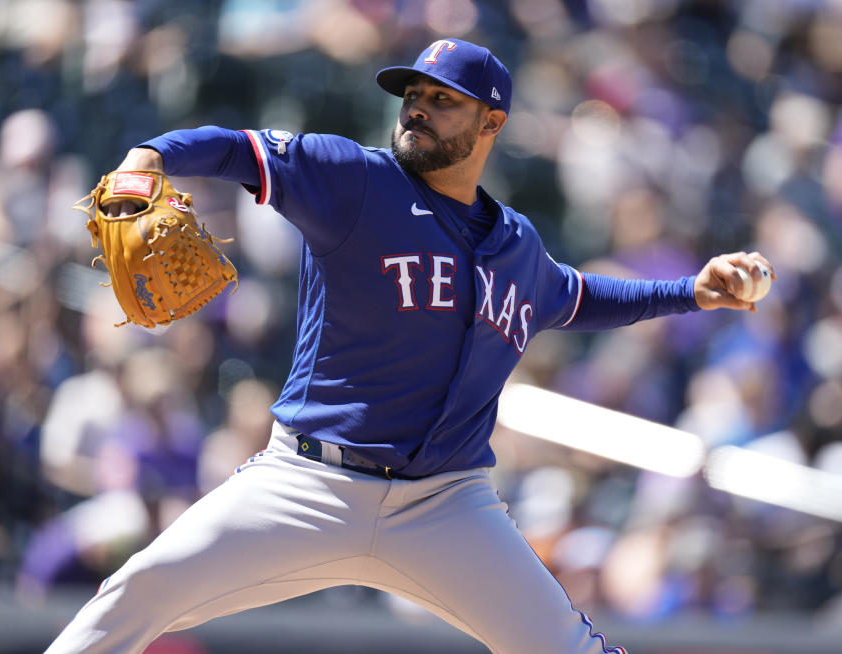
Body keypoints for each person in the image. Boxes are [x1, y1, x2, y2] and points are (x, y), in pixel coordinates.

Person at [46, 38, 774, 654]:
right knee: (135, 594)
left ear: (492, 121)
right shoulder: (354, 178)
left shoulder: (518, 244)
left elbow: (578, 298)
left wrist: (692, 291)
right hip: (307, 485)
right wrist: (150, 153)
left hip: (448, 506)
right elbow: (235, 150)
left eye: (444, 98)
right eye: (413, 93)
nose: (419, 107)